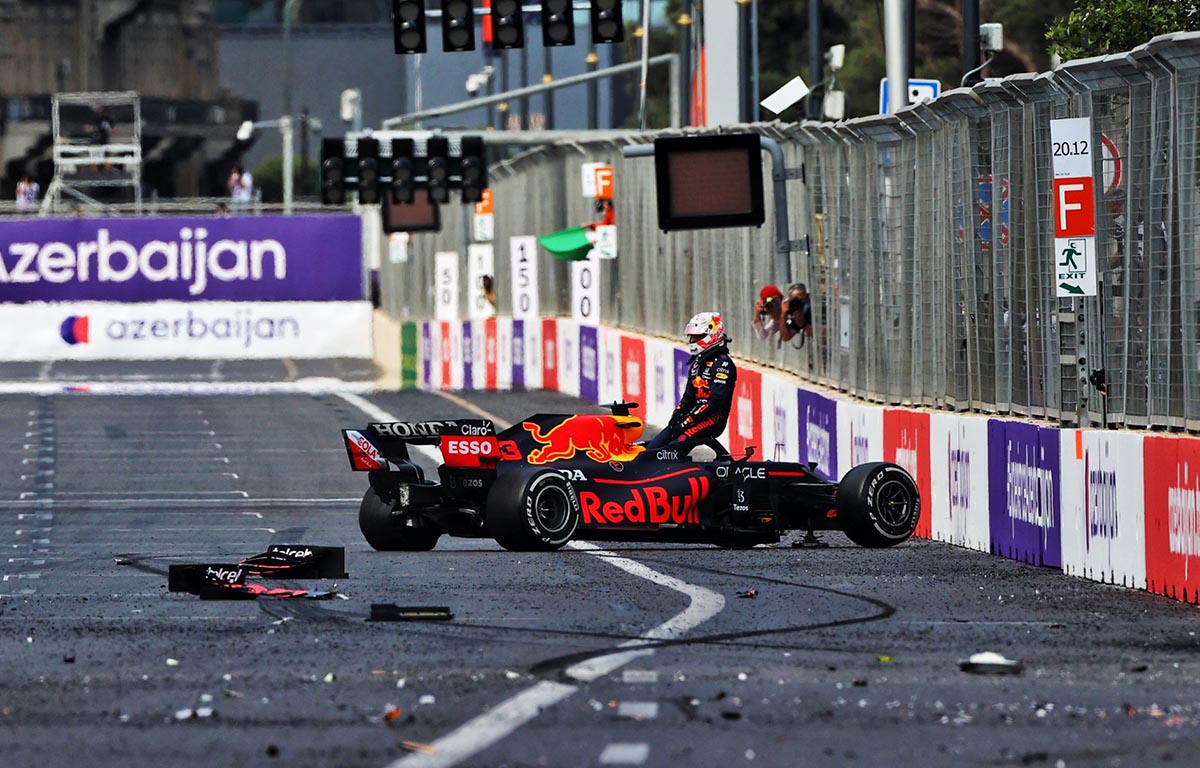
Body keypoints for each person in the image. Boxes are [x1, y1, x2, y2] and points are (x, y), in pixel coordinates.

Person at [644, 312, 738, 456]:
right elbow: (688, 398)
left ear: (712, 334)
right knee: (653, 448)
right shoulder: (696, 365)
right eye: (692, 336)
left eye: (697, 337)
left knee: (672, 449)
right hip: (693, 418)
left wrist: (687, 422)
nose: (692, 340)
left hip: (712, 420)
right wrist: (676, 417)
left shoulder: (723, 364)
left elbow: (715, 402)